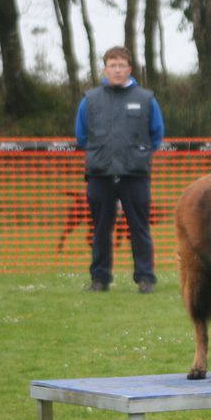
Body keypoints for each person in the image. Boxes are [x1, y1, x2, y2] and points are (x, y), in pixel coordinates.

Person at [75, 46, 164, 293]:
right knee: (100, 229)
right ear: (105, 69)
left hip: (134, 174)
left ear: (129, 69)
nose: (117, 69)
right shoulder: (90, 100)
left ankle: (145, 278)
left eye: (121, 65)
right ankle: (100, 279)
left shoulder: (146, 99)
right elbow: (82, 136)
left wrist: (138, 154)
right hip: (100, 175)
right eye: (112, 65)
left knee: (139, 228)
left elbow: (156, 134)